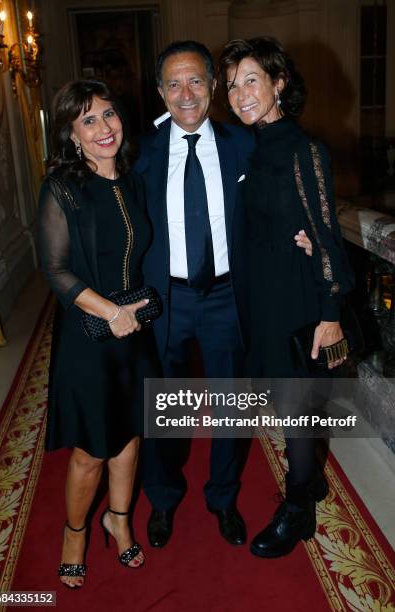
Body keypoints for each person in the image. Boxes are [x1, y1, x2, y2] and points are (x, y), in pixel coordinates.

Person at [134, 40, 313, 549]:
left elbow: (286, 183)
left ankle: (222, 497)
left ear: (214, 86)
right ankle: (164, 498)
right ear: (160, 92)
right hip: (163, 298)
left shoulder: (243, 144)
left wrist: (304, 235)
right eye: (173, 83)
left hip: (226, 297)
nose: (185, 93)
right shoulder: (140, 153)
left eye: (196, 81)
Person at [218, 37, 354, 557]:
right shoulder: (251, 146)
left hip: (299, 298)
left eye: (251, 79)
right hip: (264, 298)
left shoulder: (305, 149)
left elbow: (326, 235)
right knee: (285, 402)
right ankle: (311, 481)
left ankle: (298, 509)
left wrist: (330, 313)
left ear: (279, 83)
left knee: (298, 407)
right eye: (231, 84)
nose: (239, 93)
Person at [38, 79, 159, 587]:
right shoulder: (63, 189)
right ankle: (73, 533)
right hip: (90, 335)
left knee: (130, 437)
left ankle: (120, 519)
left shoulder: (133, 180)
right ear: (72, 135)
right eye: (88, 120)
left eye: (108, 115)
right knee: (90, 450)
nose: (103, 128)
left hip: (135, 331)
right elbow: (56, 269)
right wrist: (111, 312)